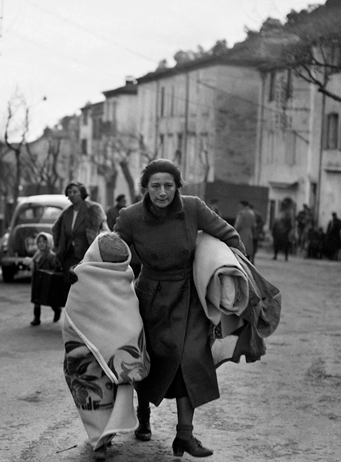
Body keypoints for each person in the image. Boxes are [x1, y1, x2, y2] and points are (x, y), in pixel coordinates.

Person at [113, 159, 246, 458]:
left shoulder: (193, 208)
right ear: (145, 188)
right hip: (150, 298)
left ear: (177, 187)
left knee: (192, 360)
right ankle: (143, 414)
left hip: (189, 298)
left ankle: (184, 435)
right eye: (156, 186)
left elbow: (229, 235)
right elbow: (111, 252)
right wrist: (90, 274)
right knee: (148, 359)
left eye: (169, 185)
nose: (162, 192)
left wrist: (235, 270)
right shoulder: (130, 216)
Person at [62, 232, 149, 461]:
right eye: (108, 262)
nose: (112, 267)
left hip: (113, 352)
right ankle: (99, 439)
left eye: (115, 263)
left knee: (103, 394)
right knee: (96, 393)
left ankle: (102, 437)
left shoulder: (123, 276)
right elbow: (76, 312)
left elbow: (128, 314)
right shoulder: (84, 275)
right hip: (87, 349)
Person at [51, 181, 107, 273]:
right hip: (69, 257)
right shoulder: (66, 213)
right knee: (68, 283)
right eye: (69, 192)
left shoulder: (93, 209)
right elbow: (56, 231)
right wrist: (58, 251)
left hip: (88, 256)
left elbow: (104, 231)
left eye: (75, 191)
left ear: (82, 192)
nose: (72, 194)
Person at [25, 232, 63, 326]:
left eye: (44, 242)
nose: (41, 244)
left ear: (49, 243)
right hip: (37, 280)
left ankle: (57, 309)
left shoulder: (51, 256)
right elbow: (33, 265)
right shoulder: (37, 255)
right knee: (36, 300)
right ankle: (36, 318)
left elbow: (56, 268)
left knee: (49, 300)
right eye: (39, 242)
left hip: (47, 281)